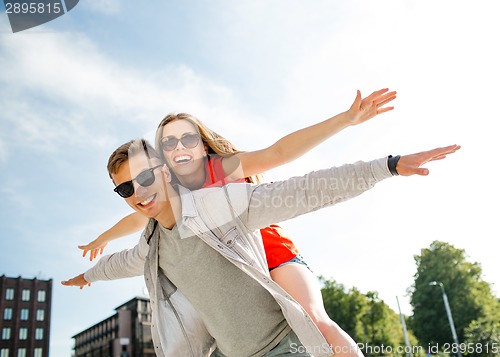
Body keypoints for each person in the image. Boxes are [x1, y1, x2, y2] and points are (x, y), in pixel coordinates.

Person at [62, 138, 460, 357]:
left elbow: (303, 190)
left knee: (320, 319)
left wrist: (386, 166)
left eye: (145, 177)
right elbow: (115, 264)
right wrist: (86, 276)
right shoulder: (153, 248)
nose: (139, 192)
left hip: (285, 346)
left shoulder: (220, 207)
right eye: (126, 188)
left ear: (165, 173)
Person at [77, 89, 396, 356]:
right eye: (169, 144)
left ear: (202, 143)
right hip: (239, 274)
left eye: (186, 138)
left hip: (273, 257)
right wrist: (101, 239)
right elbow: (137, 215)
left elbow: (281, 151)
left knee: (314, 319)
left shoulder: (222, 167)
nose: (179, 148)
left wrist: (346, 119)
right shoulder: (172, 189)